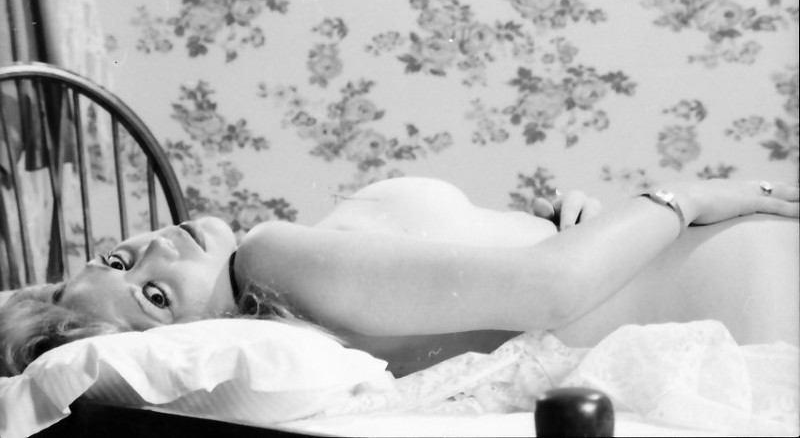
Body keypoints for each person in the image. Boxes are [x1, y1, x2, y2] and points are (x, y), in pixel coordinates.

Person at [1, 176, 798, 377]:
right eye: (154, 295)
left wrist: (573, 225)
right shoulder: (266, 259)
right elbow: (552, 290)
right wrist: (686, 197)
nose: (157, 248)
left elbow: (533, 283)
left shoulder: (303, 297)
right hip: (755, 282)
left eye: (117, 258)